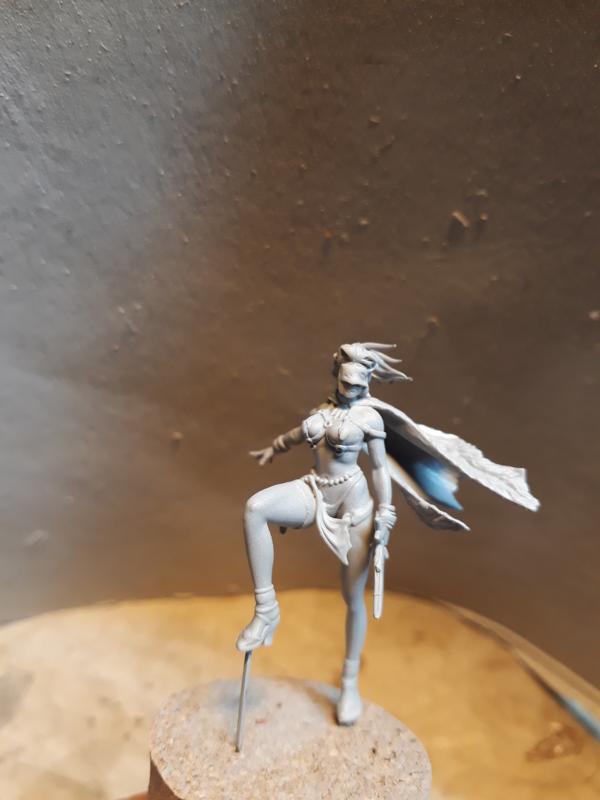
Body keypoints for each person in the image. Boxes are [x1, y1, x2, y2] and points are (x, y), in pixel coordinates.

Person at [236, 342, 539, 725]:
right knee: (256, 508)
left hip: (354, 505)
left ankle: (349, 681)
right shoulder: (321, 411)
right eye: (346, 381)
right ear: (337, 375)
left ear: (367, 382)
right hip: (315, 490)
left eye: (358, 384)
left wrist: (385, 510)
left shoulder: (368, 419)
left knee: (352, 598)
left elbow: (380, 469)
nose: (352, 389)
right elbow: (298, 434)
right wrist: (274, 448)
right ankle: (266, 611)